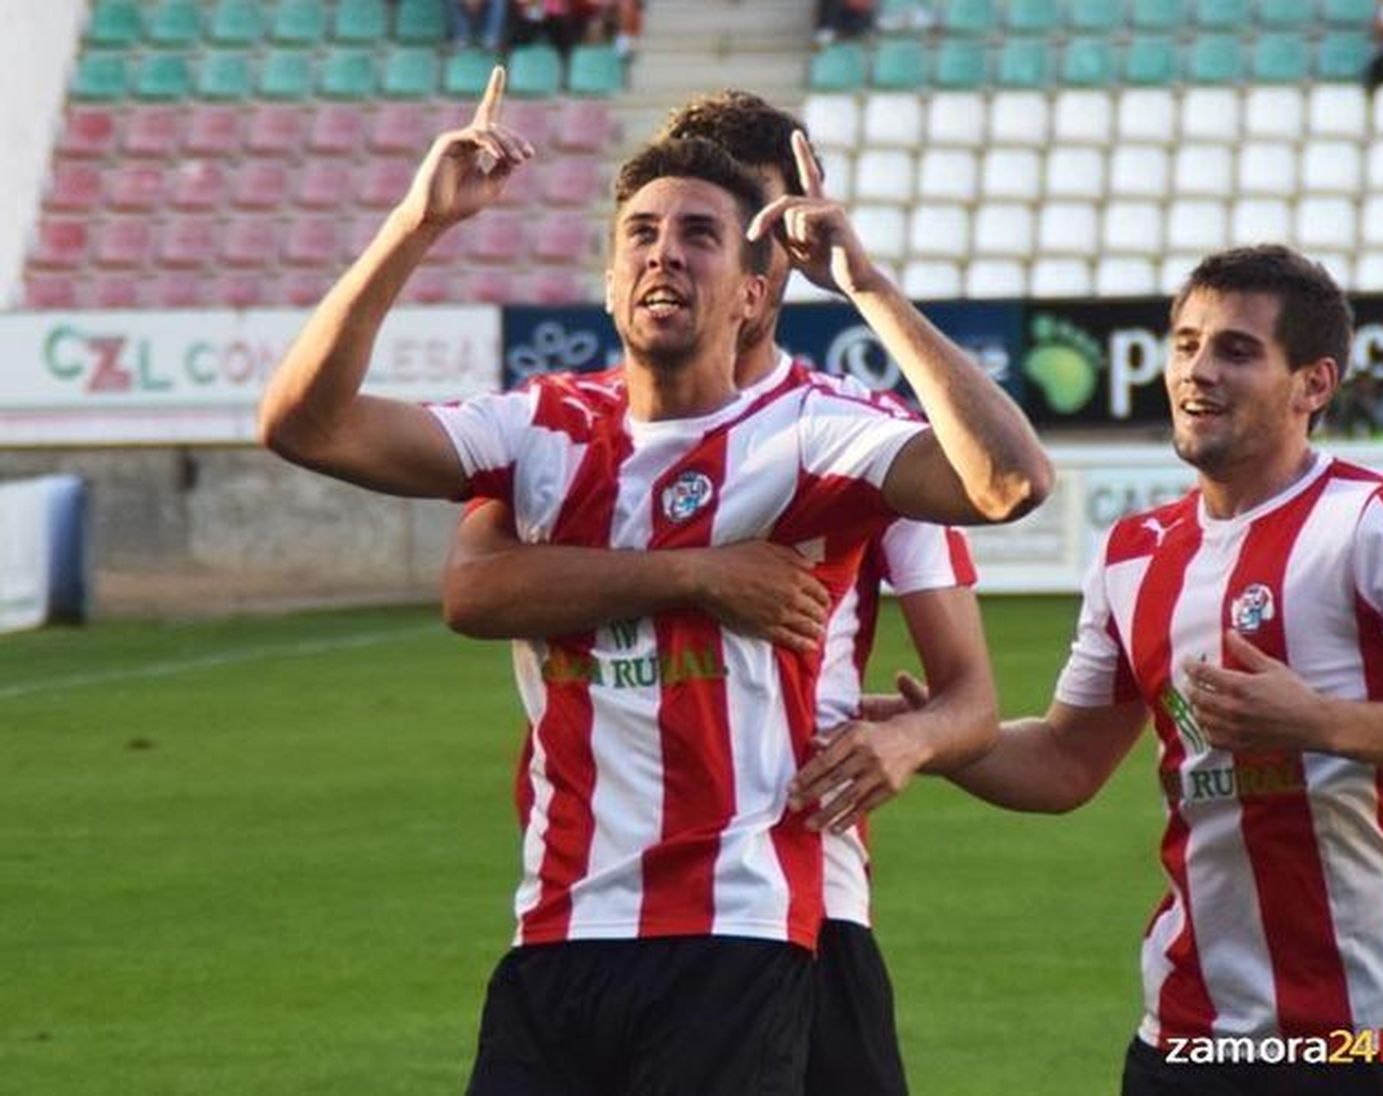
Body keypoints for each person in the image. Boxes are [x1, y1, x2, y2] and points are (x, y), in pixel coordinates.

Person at [256, 69, 1051, 1095]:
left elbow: (1007, 487)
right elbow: (315, 437)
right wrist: (417, 222)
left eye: (712, 231)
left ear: (767, 281)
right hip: (560, 918)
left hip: (761, 910)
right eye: (640, 229)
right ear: (606, 271)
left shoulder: (829, 433)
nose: (665, 250)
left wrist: (868, 283)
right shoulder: (541, 425)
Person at [441, 88, 999, 1096]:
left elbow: (969, 694)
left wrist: (910, 739)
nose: (760, 246)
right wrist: (691, 574)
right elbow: (474, 589)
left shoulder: (857, 438)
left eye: (770, 224)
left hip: (804, 890)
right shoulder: (571, 425)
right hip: (596, 897)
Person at [924, 245, 1383, 1095]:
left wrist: (1318, 722)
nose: (1197, 372)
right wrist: (933, 740)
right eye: (1184, 344)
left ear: (1314, 384)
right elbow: (1067, 761)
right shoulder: (1132, 553)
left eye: (1237, 351)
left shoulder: (1376, 521)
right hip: (1191, 1040)